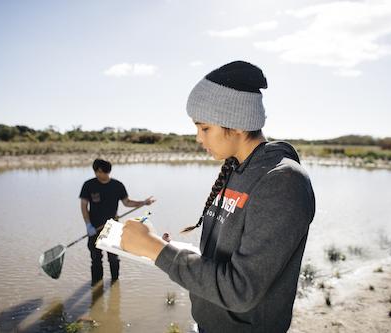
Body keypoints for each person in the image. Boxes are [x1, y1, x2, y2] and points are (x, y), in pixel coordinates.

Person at [121, 61, 316, 332]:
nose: (199, 139)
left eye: (204, 128)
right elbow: (224, 257)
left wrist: (156, 250)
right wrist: (165, 249)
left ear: (236, 125)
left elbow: (240, 289)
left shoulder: (283, 182)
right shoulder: (235, 169)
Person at [80, 158, 155, 286]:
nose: (97, 174)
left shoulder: (117, 185)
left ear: (107, 171)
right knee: (96, 258)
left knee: (113, 258)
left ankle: (115, 284)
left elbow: (127, 202)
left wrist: (143, 202)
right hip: (94, 227)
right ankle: (97, 285)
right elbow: (83, 206)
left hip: (112, 226)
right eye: (96, 171)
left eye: (100, 171)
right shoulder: (88, 185)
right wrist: (88, 224)